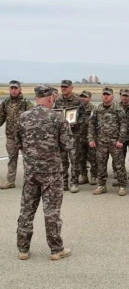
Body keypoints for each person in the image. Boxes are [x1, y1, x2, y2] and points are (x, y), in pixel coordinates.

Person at [16, 84, 73, 260]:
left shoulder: (23, 117)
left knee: (27, 210)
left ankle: (23, 249)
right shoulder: (58, 118)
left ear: (36, 98)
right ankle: (56, 250)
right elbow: (68, 145)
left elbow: (18, 143)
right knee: (52, 212)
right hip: (52, 173)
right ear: (50, 98)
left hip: (31, 172)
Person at [88, 87, 128, 196]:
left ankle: (122, 186)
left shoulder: (118, 109)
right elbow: (91, 125)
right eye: (104, 95)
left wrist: (121, 140)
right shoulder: (97, 109)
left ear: (112, 96)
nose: (106, 96)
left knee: (119, 165)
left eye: (108, 95)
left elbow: (124, 125)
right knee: (101, 165)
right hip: (101, 143)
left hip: (115, 143)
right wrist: (91, 139)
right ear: (102, 96)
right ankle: (101, 186)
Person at [0, 80, 34, 189]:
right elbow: (1, 118)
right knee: (12, 159)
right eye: (12, 88)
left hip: (25, 137)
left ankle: (29, 182)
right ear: (9, 89)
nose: (14, 91)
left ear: (20, 89)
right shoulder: (5, 103)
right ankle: (10, 181)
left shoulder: (26, 103)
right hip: (11, 137)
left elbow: (33, 119)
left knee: (28, 160)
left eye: (16, 88)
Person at [53, 80, 81, 192]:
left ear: (71, 88)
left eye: (66, 87)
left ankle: (74, 183)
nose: (63, 88)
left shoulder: (78, 100)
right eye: (62, 86)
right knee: (63, 161)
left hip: (74, 135)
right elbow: (55, 114)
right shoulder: (58, 100)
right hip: (62, 136)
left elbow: (84, 117)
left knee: (75, 160)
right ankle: (64, 182)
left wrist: (76, 122)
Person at [111, 88, 129, 187]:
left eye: (127, 96)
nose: (124, 97)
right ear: (120, 96)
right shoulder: (116, 107)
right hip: (120, 137)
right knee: (119, 158)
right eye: (123, 95)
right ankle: (120, 179)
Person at [77, 90, 97, 185]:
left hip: (90, 137)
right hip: (79, 137)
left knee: (93, 158)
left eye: (85, 97)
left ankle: (94, 176)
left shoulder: (94, 109)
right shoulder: (76, 109)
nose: (83, 98)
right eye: (81, 97)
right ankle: (84, 176)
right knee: (81, 158)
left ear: (90, 98)